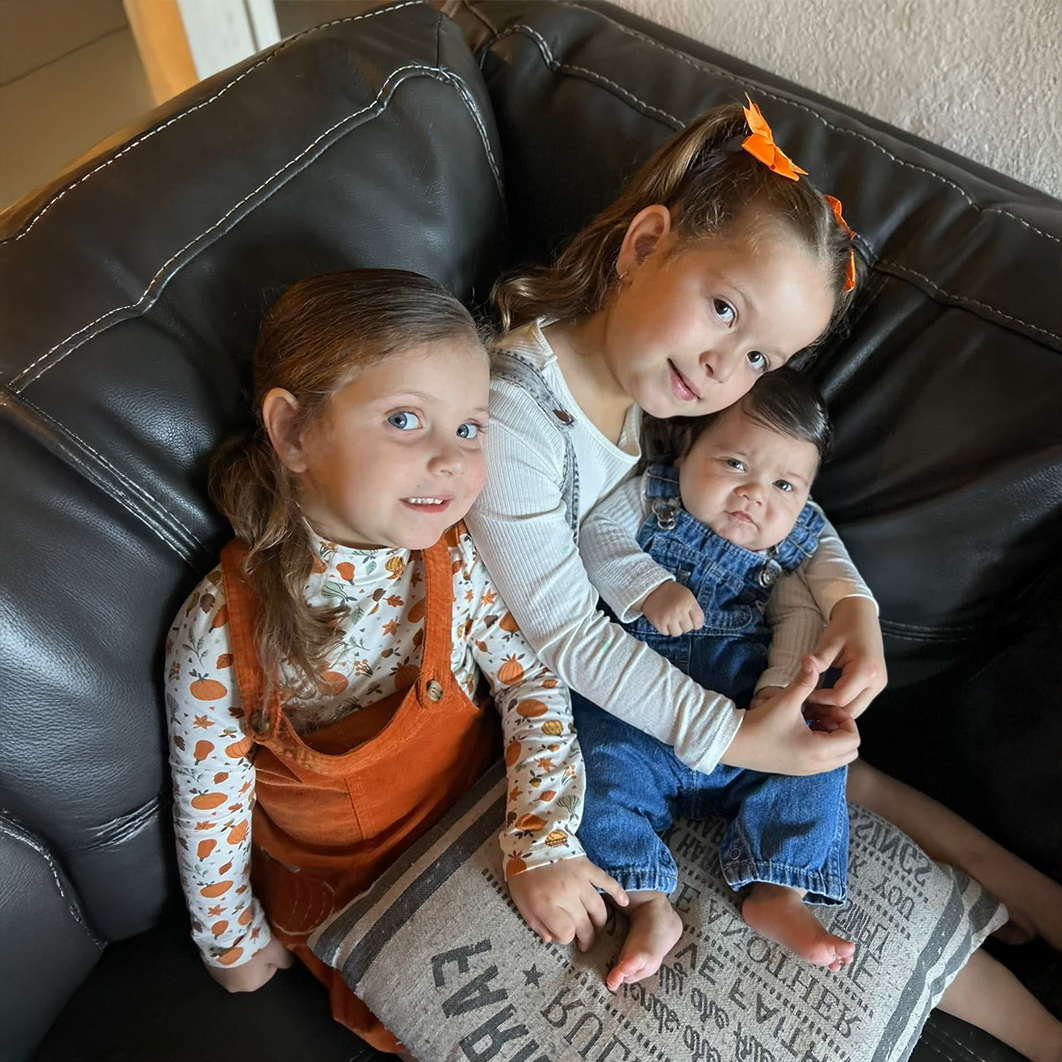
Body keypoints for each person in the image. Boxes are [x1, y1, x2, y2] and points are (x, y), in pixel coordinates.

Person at [466, 98, 1062, 1060]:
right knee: (802, 770)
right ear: (643, 245)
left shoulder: (661, 395)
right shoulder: (515, 415)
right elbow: (566, 635)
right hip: (572, 701)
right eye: (723, 308)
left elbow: (786, 513)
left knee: (825, 758)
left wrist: (852, 604)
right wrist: (739, 735)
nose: (722, 367)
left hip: (688, 672)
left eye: (758, 356)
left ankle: (1018, 902)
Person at [165, 269, 625, 1054]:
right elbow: (211, 807)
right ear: (294, 432)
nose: (450, 459)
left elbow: (530, 683)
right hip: (352, 893)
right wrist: (231, 941)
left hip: (487, 823)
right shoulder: (220, 632)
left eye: (471, 428)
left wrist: (541, 836)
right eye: (405, 419)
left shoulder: (457, 557)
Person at [577, 368, 856, 987]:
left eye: (784, 485)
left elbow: (800, 622)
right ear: (686, 449)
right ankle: (648, 903)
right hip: (637, 711)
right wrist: (650, 587)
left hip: (748, 716)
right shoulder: (651, 497)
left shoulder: (789, 552)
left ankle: (778, 891)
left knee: (817, 759)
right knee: (591, 769)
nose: (755, 494)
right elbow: (598, 536)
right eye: (734, 464)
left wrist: (779, 695)